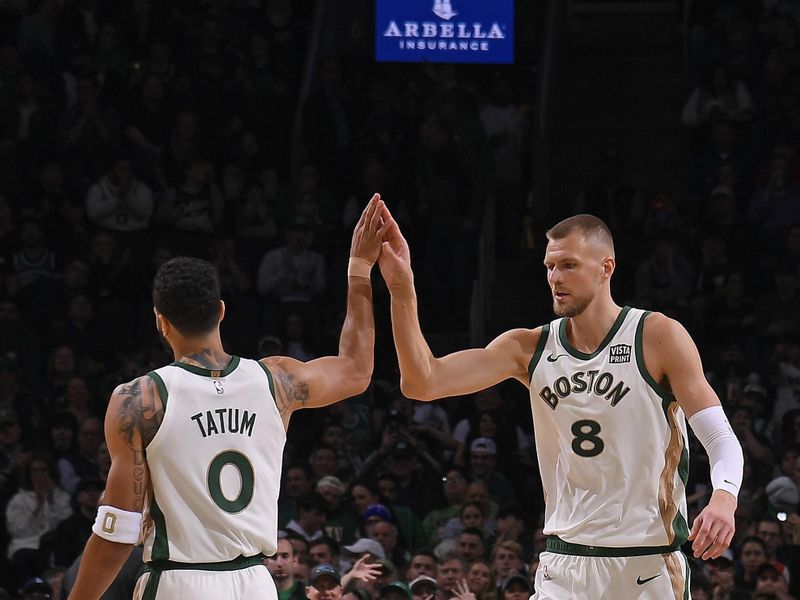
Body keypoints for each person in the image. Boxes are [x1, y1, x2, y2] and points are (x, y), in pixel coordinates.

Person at [376, 210, 744, 598]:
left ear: (606, 268)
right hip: (563, 565)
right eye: (550, 266)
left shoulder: (656, 336)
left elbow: (720, 437)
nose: (555, 277)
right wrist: (402, 287)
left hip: (646, 561)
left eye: (569, 265)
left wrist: (724, 496)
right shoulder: (529, 347)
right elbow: (423, 382)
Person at [67, 194, 390, 599]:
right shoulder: (277, 380)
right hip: (256, 582)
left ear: (160, 322)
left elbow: (119, 531)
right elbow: (358, 369)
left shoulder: (141, 397)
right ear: (221, 310)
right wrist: (359, 269)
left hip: (179, 581)